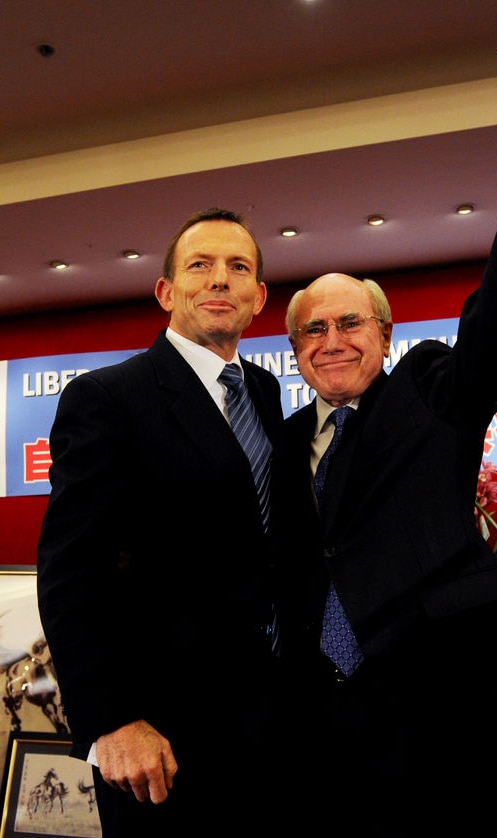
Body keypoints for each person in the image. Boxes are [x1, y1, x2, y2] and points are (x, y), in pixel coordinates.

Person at [274, 34, 497, 836]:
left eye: (351, 322)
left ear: (386, 335)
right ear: (295, 352)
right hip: (314, 724)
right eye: (312, 328)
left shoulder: (433, 394)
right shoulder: (274, 443)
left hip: (440, 708)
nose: (332, 338)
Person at [36, 208, 285, 836]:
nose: (220, 280)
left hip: (271, 719)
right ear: (167, 292)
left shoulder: (262, 390)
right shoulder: (108, 398)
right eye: (200, 265)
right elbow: (71, 571)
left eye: (238, 267)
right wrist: (109, 720)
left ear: (259, 298)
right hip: (162, 736)